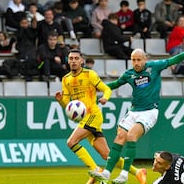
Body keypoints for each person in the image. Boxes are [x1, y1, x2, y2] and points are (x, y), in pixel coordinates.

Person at [89, 36, 184, 184]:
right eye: (133, 60)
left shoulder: (155, 66)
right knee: (120, 136)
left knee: (131, 136)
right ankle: (107, 173)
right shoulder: (129, 74)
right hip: (134, 111)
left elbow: (176, 58)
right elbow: (114, 84)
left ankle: (124, 175)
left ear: (145, 59)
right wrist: (96, 87)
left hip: (149, 112)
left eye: (139, 60)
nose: (136, 63)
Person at [55, 49, 146, 184]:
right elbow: (69, 106)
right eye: (71, 59)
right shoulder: (66, 79)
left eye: (76, 58)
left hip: (93, 115)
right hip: (83, 119)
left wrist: (105, 98)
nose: (73, 61)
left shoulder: (89, 74)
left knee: (71, 142)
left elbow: (107, 89)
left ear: (81, 61)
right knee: (106, 155)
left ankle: (96, 170)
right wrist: (61, 101)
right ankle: (138, 172)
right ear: (68, 61)